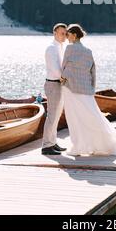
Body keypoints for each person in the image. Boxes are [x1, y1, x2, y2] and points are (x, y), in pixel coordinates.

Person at [61, 24, 116, 156]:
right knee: (93, 115)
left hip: (71, 87)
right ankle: (108, 143)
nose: (67, 38)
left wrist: (62, 78)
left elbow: (65, 67)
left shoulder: (69, 48)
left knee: (75, 118)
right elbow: (93, 71)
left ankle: (78, 147)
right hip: (86, 89)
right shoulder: (88, 51)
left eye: (68, 34)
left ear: (74, 35)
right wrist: (92, 88)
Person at [41, 23, 68, 155]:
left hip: (59, 84)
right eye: (62, 33)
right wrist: (67, 80)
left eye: (65, 33)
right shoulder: (51, 48)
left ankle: (52, 142)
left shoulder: (61, 48)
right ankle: (46, 146)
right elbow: (55, 69)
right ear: (55, 33)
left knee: (57, 115)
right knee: (52, 115)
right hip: (53, 84)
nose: (64, 36)